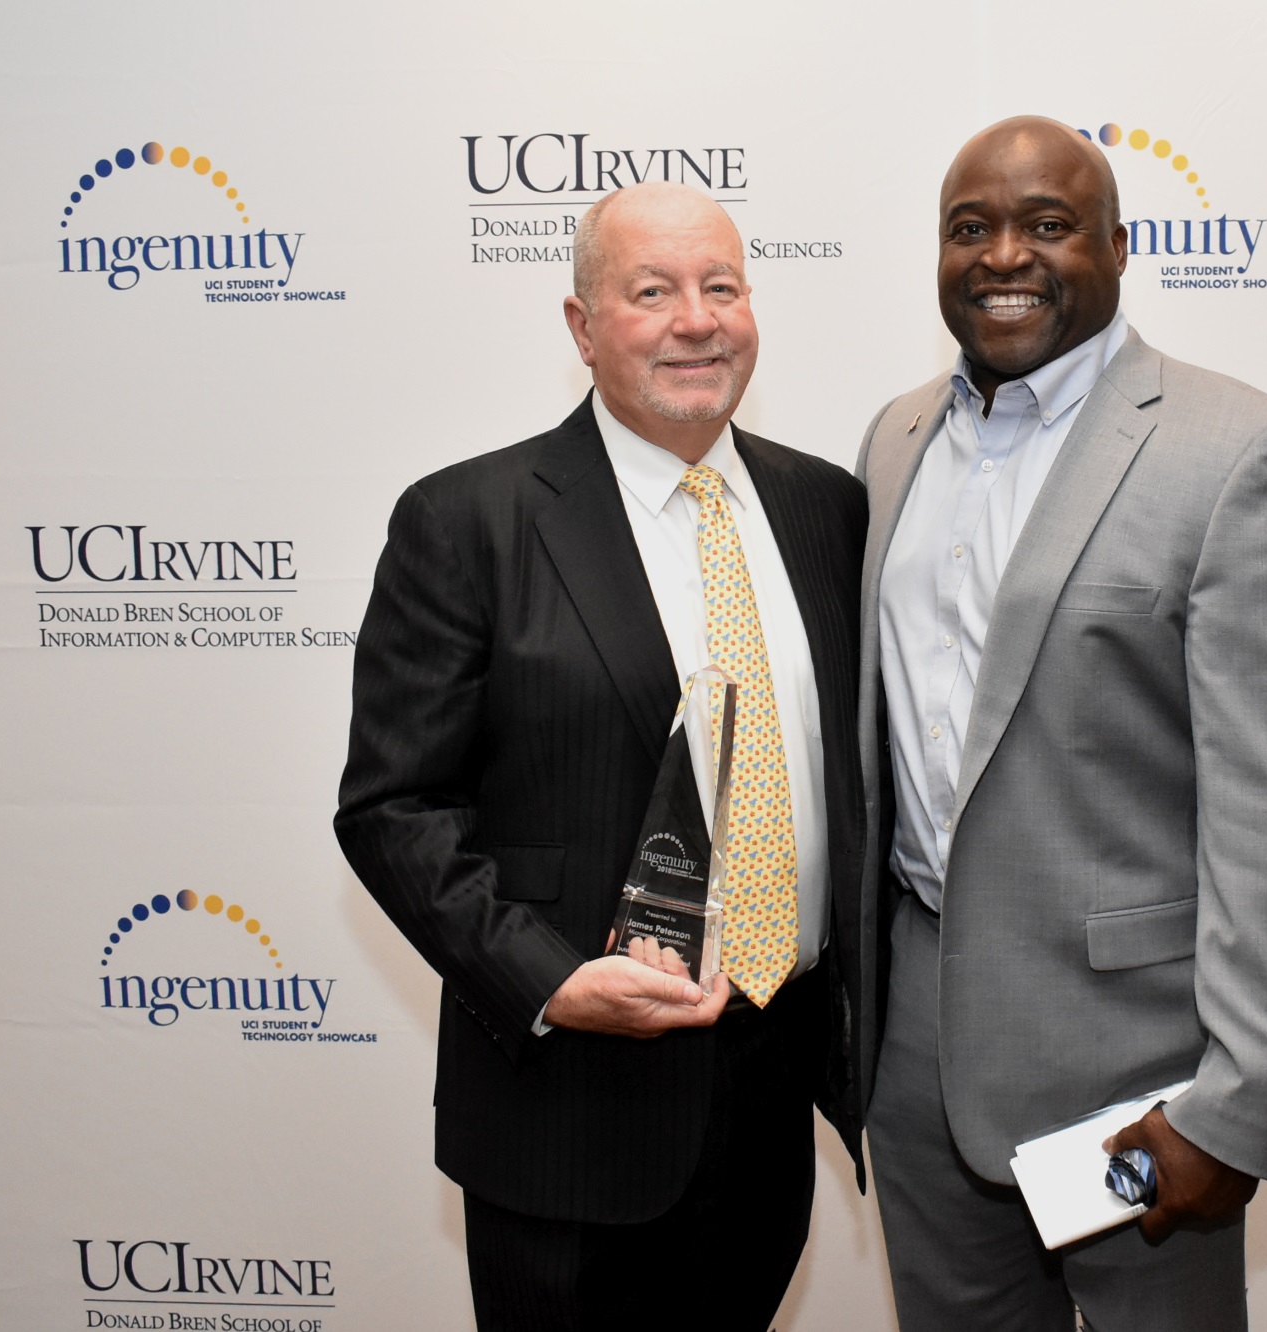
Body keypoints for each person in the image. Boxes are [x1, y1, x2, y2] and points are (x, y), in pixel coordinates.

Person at [335, 181, 868, 1332]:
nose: (696, 319)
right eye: (651, 292)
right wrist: (549, 981)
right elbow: (392, 808)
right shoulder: (466, 520)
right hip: (571, 1114)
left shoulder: (826, 509)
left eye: (720, 287)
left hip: (776, 1082)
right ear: (581, 327)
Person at [854, 117, 1267, 1330]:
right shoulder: (892, 441)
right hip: (915, 1055)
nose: (1002, 255)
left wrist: (1237, 1101)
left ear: (1120, 247)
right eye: (968, 228)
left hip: (1137, 1073)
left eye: (1045, 223)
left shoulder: (1238, 453)